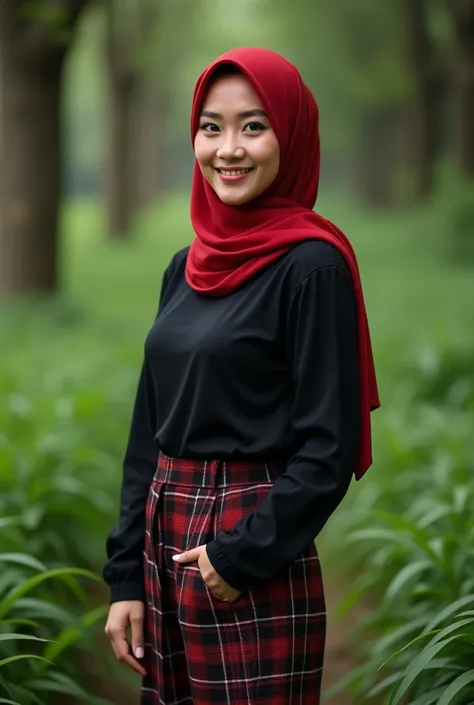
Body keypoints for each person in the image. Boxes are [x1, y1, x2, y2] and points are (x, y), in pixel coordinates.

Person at [103, 47, 380, 705]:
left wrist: (239, 555)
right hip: (164, 527)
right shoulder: (185, 266)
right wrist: (123, 579)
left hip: (250, 542)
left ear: (292, 134)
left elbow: (326, 448)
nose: (229, 148)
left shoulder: (312, 268)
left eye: (254, 126)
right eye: (211, 125)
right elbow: (150, 434)